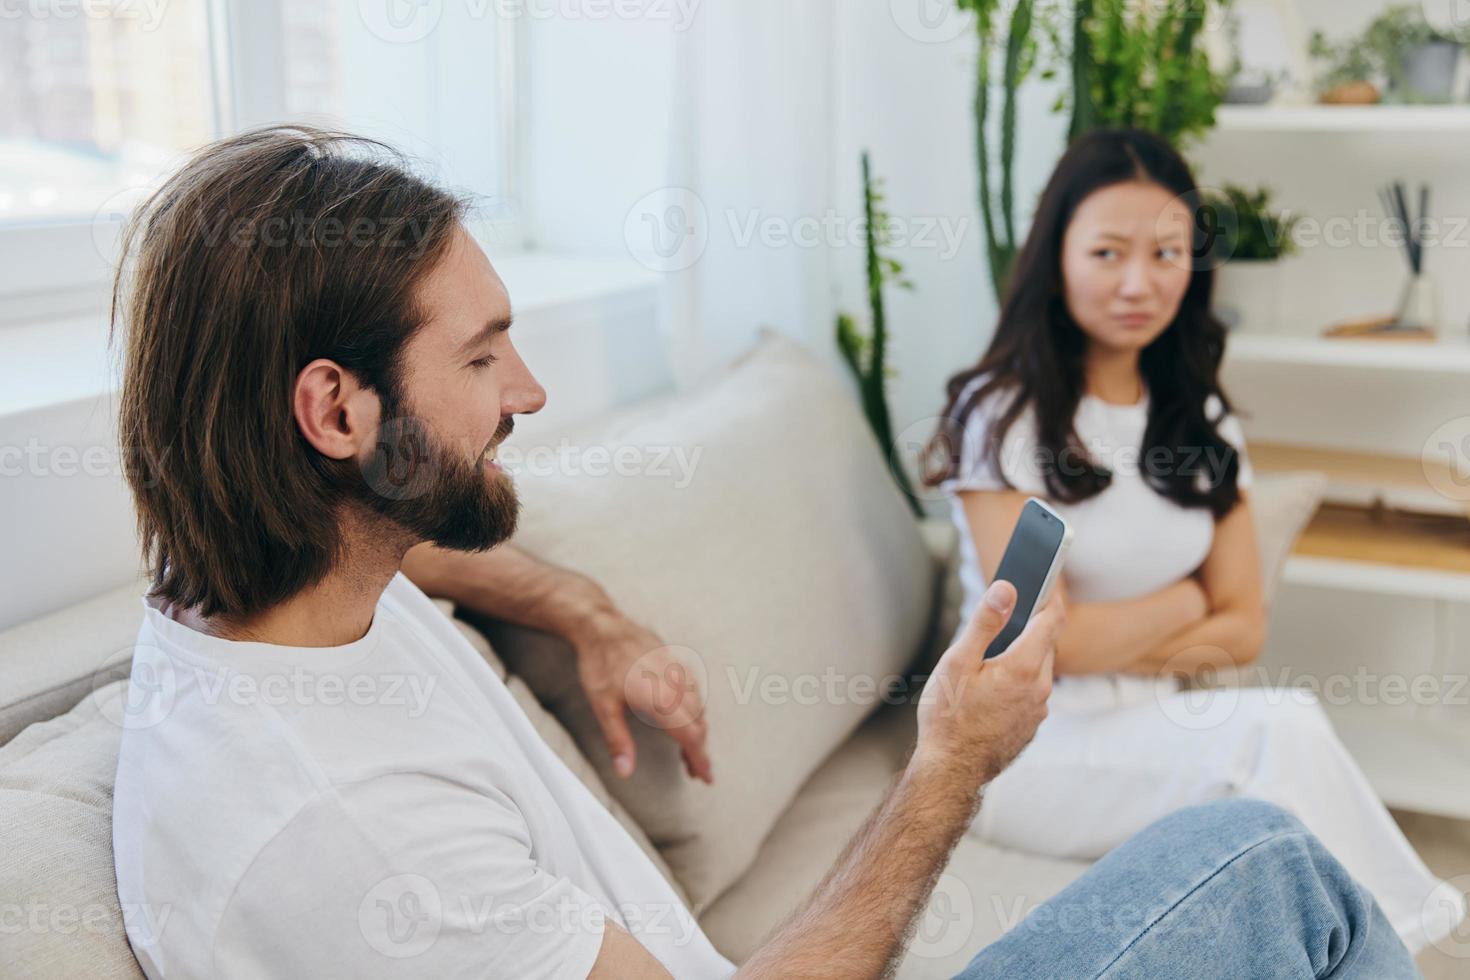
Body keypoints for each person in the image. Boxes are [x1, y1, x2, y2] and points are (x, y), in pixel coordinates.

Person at [109, 126, 1420, 979]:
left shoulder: (279, 580)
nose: (530, 388)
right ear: (335, 412)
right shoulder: (352, 842)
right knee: (1261, 862)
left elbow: (438, 564)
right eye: (479, 353)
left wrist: (586, 615)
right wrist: (950, 761)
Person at [925, 126, 1465, 955]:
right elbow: (1043, 642)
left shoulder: (1199, 417)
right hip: (1024, 749)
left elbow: (1245, 625)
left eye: (1167, 252)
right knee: (1278, 733)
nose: (1138, 282)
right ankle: (1412, 943)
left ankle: (1369, 952)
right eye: (1106, 252)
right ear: (1056, 255)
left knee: (1281, 791)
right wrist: (1186, 601)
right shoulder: (1004, 414)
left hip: (1159, 725)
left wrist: (1117, 635)